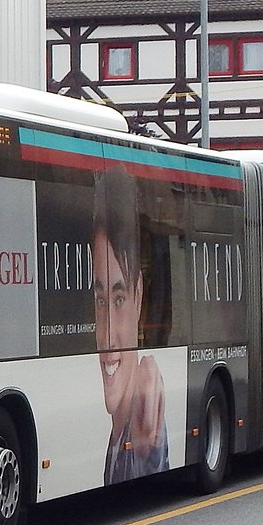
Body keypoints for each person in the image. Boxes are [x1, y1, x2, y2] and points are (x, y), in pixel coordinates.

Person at [92, 168, 169, 484]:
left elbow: (151, 449)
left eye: (119, 298)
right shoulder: (115, 441)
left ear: (139, 296)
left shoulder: (144, 423)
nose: (108, 335)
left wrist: (147, 453)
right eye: (99, 301)